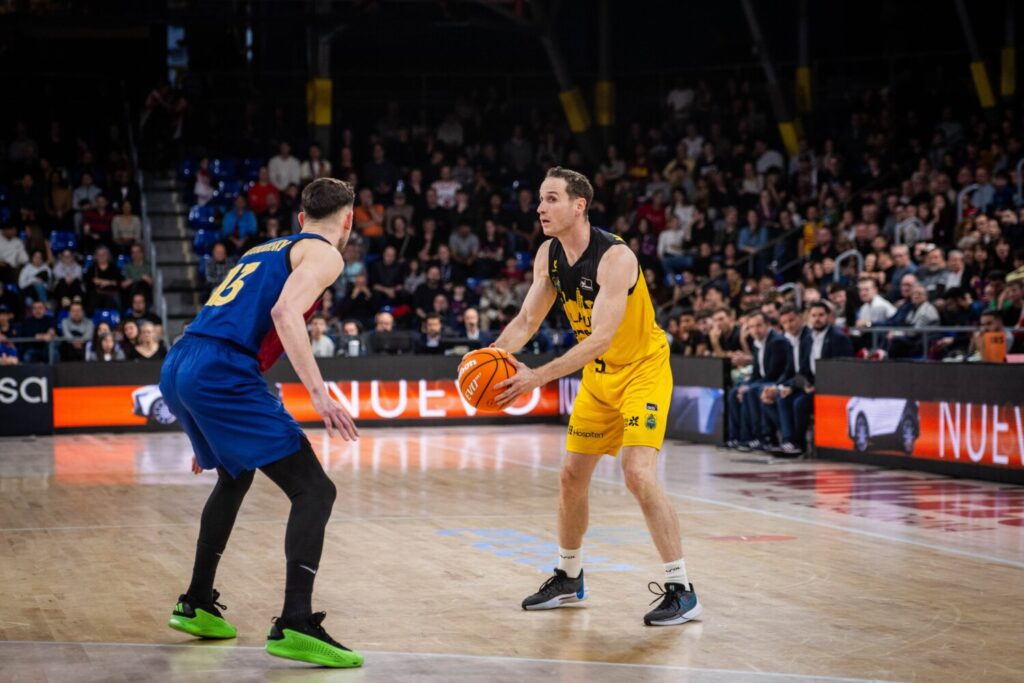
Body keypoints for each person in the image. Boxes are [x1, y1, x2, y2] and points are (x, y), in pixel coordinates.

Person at [159, 178, 362, 667]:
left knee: (234, 475)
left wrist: (205, 419)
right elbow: (285, 311)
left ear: (299, 219)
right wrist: (320, 394)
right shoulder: (325, 253)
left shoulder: (263, 249)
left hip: (183, 360)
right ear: (348, 220)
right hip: (222, 370)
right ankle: (295, 621)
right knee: (315, 491)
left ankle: (196, 602)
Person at [489, 167, 701, 627]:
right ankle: (569, 576)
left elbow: (601, 338)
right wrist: (488, 358)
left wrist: (537, 377)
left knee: (637, 473)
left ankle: (682, 589)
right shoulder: (548, 254)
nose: (540, 208)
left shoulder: (615, 258)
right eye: (539, 200)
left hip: (643, 369)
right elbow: (527, 321)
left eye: (550, 199)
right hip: (600, 378)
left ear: (578, 205)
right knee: (570, 475)